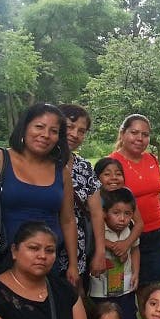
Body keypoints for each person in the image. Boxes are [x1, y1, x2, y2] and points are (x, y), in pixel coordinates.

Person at [0, 103, 79, 285]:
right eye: (39, 127)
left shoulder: (61, 171)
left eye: (53, 131)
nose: (45, 135)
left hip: (47, 261)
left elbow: (68, 220)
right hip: (2, 259)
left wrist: (73, 263)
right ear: (24, 127)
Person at [109, 114, 160, 286]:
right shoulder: (112, 163)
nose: (140, 138)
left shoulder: (152, 159)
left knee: (153, 288)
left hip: (156, 232)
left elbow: (157, 193)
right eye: (134, 132)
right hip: (128, 235)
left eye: (145, 134)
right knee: (128, 285)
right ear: (123, 133)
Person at [58, 104, 106, 283]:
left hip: (77, 250)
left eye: (81, 131)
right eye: (69, 127)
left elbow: (96, 212)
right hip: (42, 249)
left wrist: (100, 251)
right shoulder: (39, 163)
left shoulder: (83, 167)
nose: (75, 134)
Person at [89, 187, 140, 319]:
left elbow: (136, 249)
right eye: (116, 213)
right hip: (101, 291)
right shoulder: (99, 229)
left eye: (127, 214)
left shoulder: (130, 229)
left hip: (126, 288)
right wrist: (112, 246)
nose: (122, 219)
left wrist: (136, 272)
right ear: (104, 213)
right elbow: (95, 242)